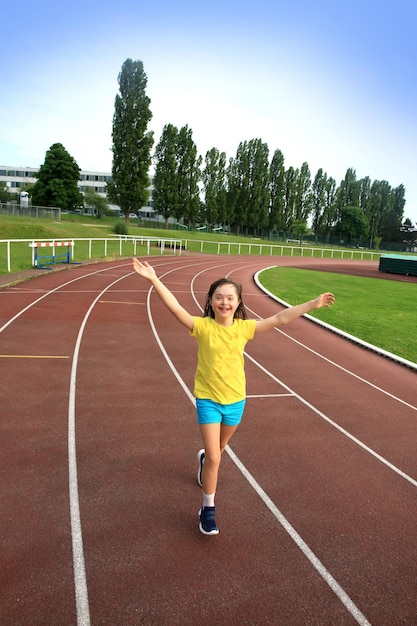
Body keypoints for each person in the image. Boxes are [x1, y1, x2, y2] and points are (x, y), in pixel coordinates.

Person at [132, 258, 335, 536]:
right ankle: (208, 508)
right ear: (211, 301)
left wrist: (313, 304)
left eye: (230, 298)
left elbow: (279, 318)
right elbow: (176, 308)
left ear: (238, 303)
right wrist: (155, 279)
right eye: (219, 297)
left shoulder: (244, 328)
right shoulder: (202, 327)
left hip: (236, 401)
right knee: (216, 458)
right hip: (208, 401)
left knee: (219, 452)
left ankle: (205, 460)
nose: (224, 302)